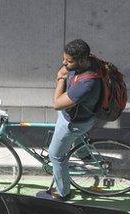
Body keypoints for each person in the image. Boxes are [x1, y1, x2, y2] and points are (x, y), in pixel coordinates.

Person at [36, 39, 102, 202]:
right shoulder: (90, 61)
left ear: (82, 60)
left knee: (55, 155)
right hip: (80, 116)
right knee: (75, 138)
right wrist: (67, 70)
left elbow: (57, 104)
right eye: (64, 58)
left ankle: (63, 193)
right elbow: (67, 70)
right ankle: (84, 154)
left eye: (69, 61)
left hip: (73, 122)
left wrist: (60, 79)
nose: (64, 63)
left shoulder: (86, 84)